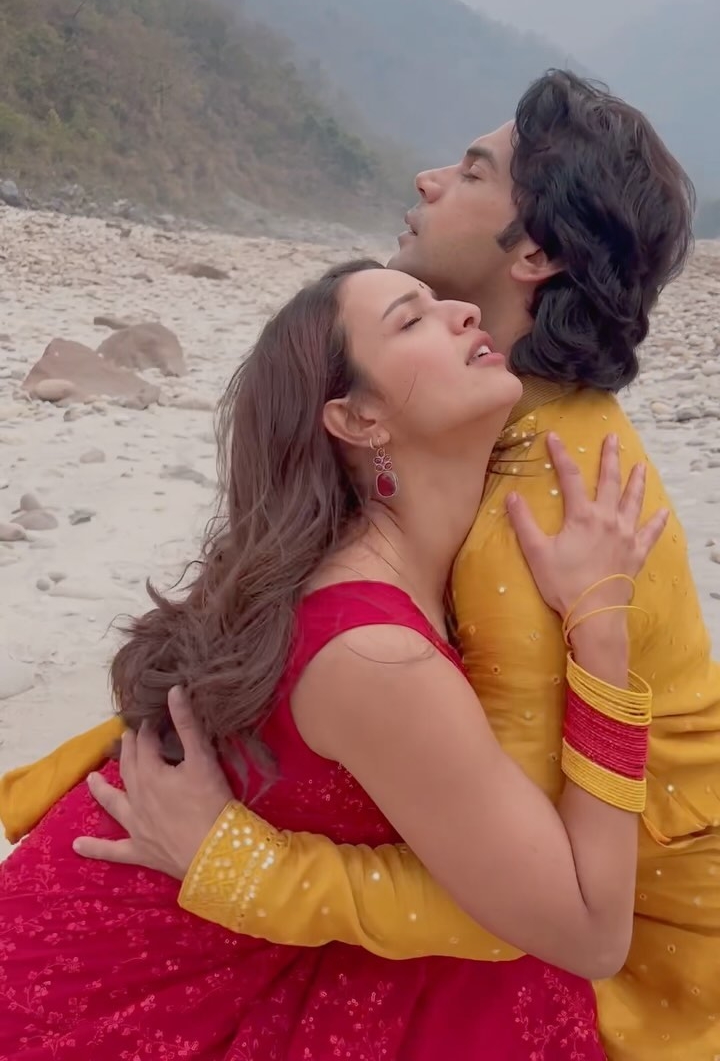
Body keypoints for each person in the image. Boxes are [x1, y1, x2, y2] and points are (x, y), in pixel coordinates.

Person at [2, 69, 719, 1056]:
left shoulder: (540, 499)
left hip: (655, 945)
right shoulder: (467, 485)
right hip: (102, 982)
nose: (428, 180)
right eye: (410, 320)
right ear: (356, 419)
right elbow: (537, 889)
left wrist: (240, 861)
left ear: (537, 252)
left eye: (472, 171)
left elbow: (553, 901)